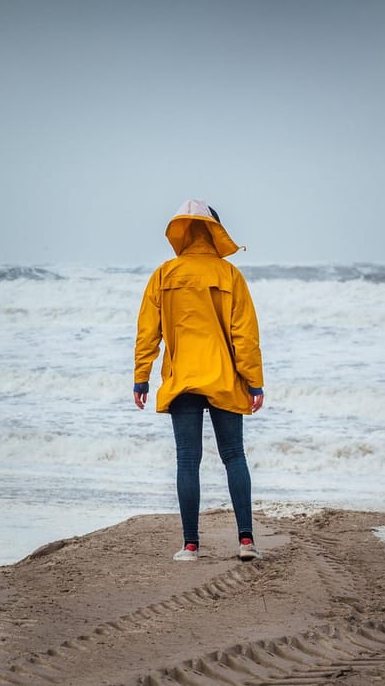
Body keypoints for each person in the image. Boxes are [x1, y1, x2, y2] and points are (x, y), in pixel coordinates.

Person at [133, 199, 265, 562]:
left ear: (184, 232)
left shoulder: (165, 274)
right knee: (234, 456)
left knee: (187, 460)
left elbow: (148, 332)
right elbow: (245, 335)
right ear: (215, 231)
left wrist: (141, 377)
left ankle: (190, 546)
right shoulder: (229, 276)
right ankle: (246, 542)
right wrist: (254, 382)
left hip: (183, 380)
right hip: (224, 377)